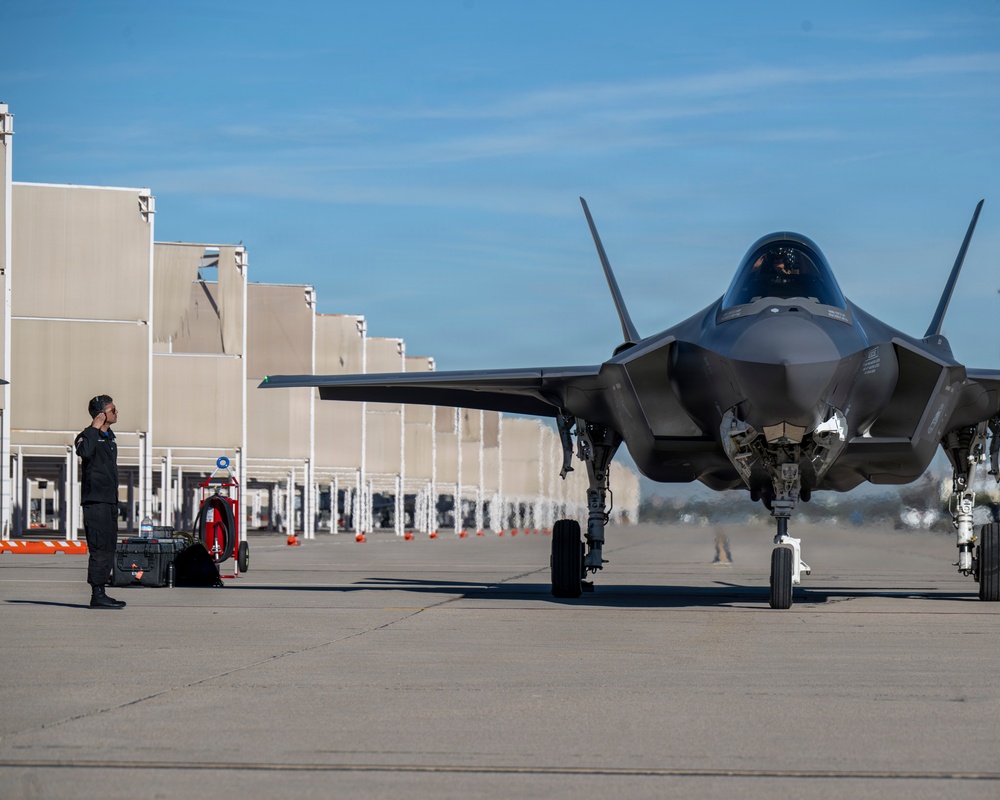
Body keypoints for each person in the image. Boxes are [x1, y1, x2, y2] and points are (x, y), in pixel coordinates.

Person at [75, 395, 126, 609]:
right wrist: (94, 428)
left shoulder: (110, 438)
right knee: (99, 547)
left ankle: (102, 591)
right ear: (101, 414)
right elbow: (84, 452)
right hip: (95, 502)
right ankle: (97, 594)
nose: (116, 412)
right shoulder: (87, 436)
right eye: (113, 410)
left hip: (109, 502)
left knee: (109, 546)